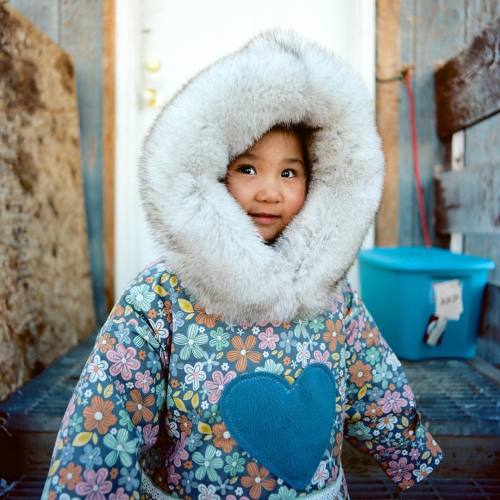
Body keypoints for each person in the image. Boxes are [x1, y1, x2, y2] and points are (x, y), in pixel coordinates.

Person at [42, 31, 443, 499]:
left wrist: (408, 450)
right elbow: (109, 408)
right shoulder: (162, 296)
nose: (269, 191)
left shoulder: (330, 293)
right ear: (209, 173)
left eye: (289, 173)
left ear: (320, 183)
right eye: (248, 169)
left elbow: (373, 378)